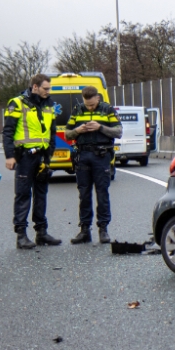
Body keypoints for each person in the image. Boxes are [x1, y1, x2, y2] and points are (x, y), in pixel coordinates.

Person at [3, 73, 62, 249]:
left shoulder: (50, 105)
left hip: (42, 156)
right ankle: (21, 235)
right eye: (45, 88)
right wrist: (10, 155)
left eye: (49, 88)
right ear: (35, 87)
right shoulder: (17, 103)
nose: (48, 91)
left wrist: (50, 153)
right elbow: (8, 131)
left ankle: (41, 233)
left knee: (41, 194)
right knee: (23, 195)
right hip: (25, 156)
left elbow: (52, 131)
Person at [65, 86, 122, 245]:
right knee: (84, 194)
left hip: (101, 155)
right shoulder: (77, 110)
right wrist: (78, 130)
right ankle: (84, 230)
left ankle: (103, 229)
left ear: (98, 98)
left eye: (91, 104)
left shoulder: (107, 110)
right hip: (82, 155)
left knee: (102, 193)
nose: (89, 107)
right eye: (87, 104)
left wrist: (100, 127)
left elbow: (118, 132)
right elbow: (67, 134)